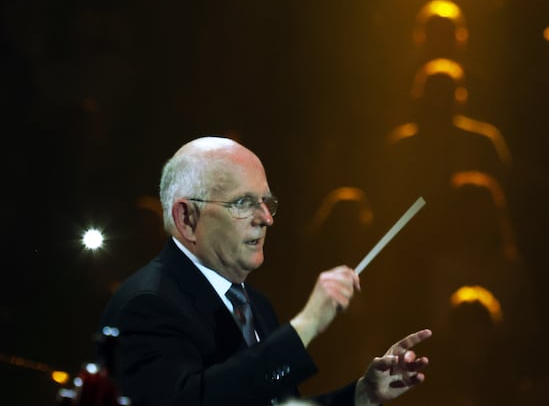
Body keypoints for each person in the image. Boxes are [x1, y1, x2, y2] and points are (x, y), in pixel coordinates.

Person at [99, 136, 431, 406]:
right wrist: (307, 324)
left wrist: (363, 395)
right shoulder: (147, 304)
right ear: (187, 218)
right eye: (243, 203)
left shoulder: (253, 304)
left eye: (267, 203)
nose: (266, 218)